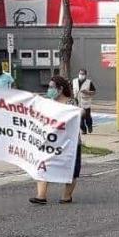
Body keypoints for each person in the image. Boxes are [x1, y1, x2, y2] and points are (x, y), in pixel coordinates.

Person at [31, 76, 82, 205]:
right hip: (51, 142)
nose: (49, 90)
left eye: (52, 87)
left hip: (70, 143)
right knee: (43, 166)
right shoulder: (48, 103)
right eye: (49, 87)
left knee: (71, 170)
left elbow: (78, 114)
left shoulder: (71, 103)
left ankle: (66, 196)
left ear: (60, 89)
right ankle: (41, 196)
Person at [72, 69, 96, 134]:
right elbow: (72, 91)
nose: (81, 75)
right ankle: (83, 129)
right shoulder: (74, 81)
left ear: (85, 75)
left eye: (83, 74)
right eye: (80, 73)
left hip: (86, 103)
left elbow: (94, 92)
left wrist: (87, 92)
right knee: (80, 117)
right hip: (77, 103)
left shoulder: (89, 82)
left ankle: (89, 125)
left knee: (87, 117)